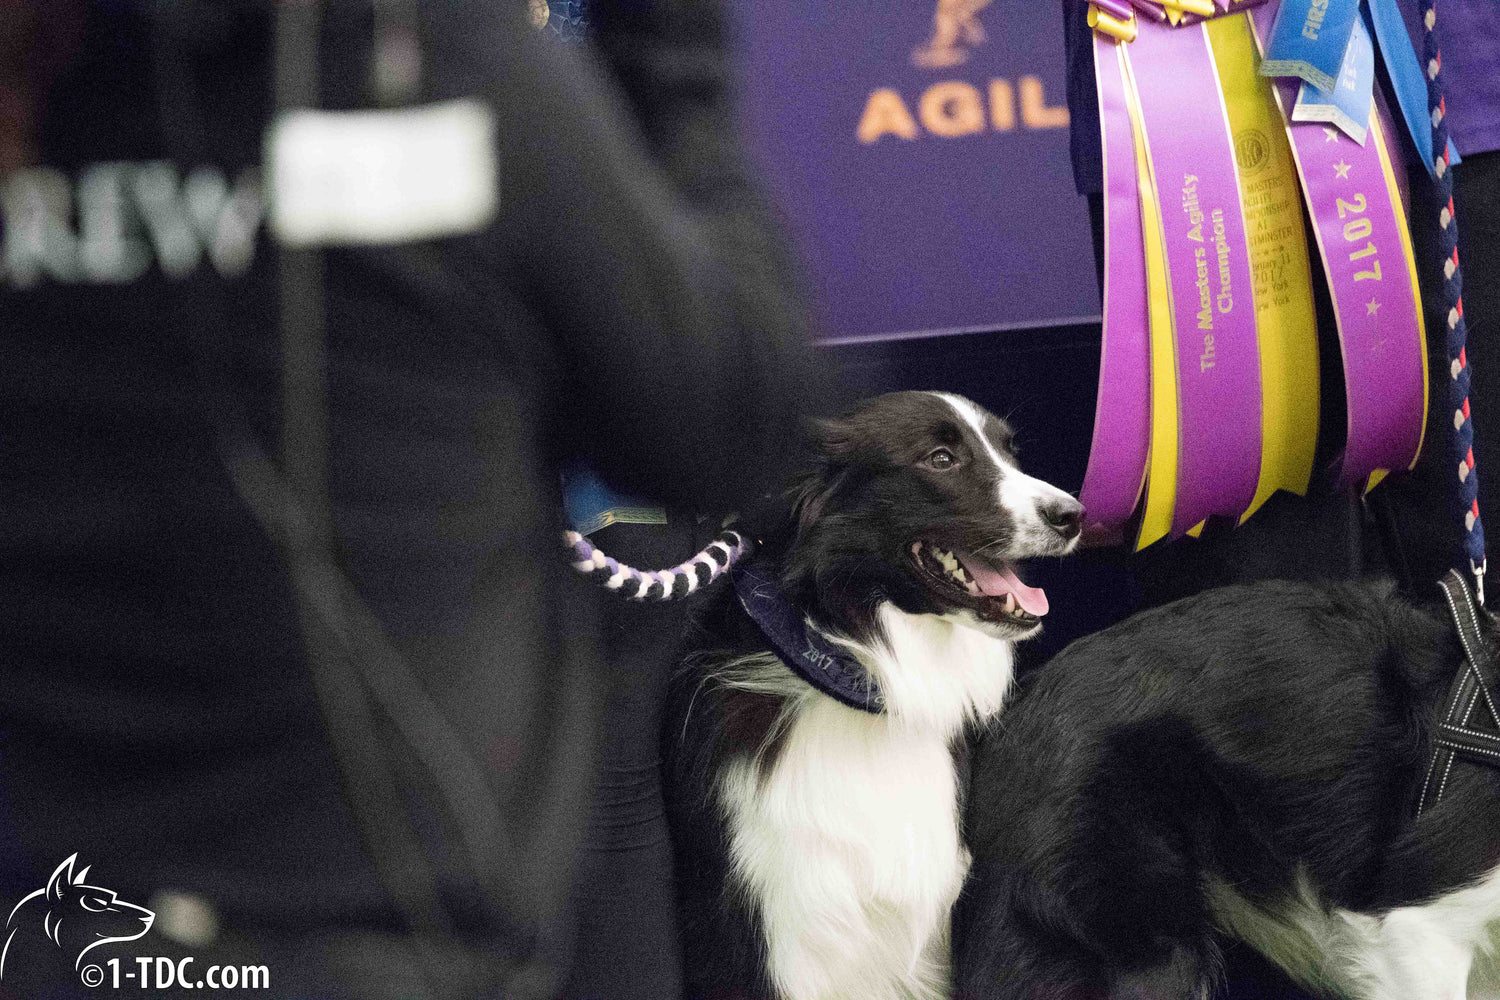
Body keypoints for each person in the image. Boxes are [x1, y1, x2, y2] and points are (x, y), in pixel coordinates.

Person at [0, 1, 828, 996]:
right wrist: (676, 64)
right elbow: (726, 426)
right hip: (386, 949)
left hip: (58, 936)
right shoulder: (437, 70)